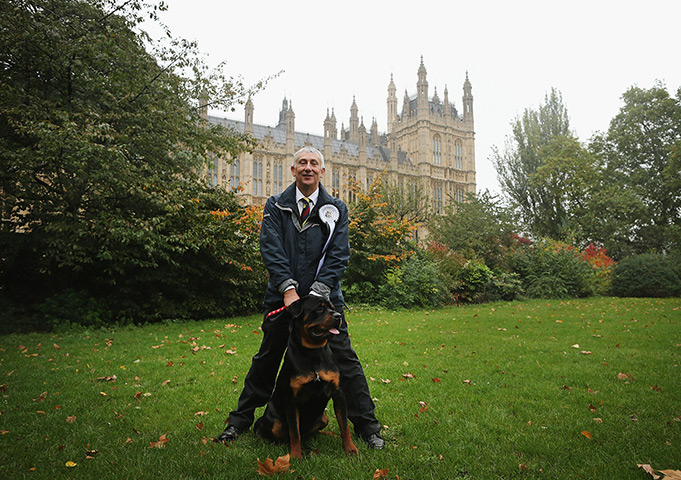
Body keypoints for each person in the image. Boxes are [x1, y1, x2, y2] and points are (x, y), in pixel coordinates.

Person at [218, 146, 384, 449]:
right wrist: (288, 289)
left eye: (314, 164)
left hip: (323, 304)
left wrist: (319, 291)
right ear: (292, 170)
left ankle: (368, 428)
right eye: (302, 163)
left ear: (322, 171)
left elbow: (339, 255)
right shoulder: (275, 205)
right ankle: (239, 422)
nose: (308, 168)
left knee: (345, 364)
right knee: (267, 360)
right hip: (284, 301)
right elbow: (271, 248)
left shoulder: (336, 209)